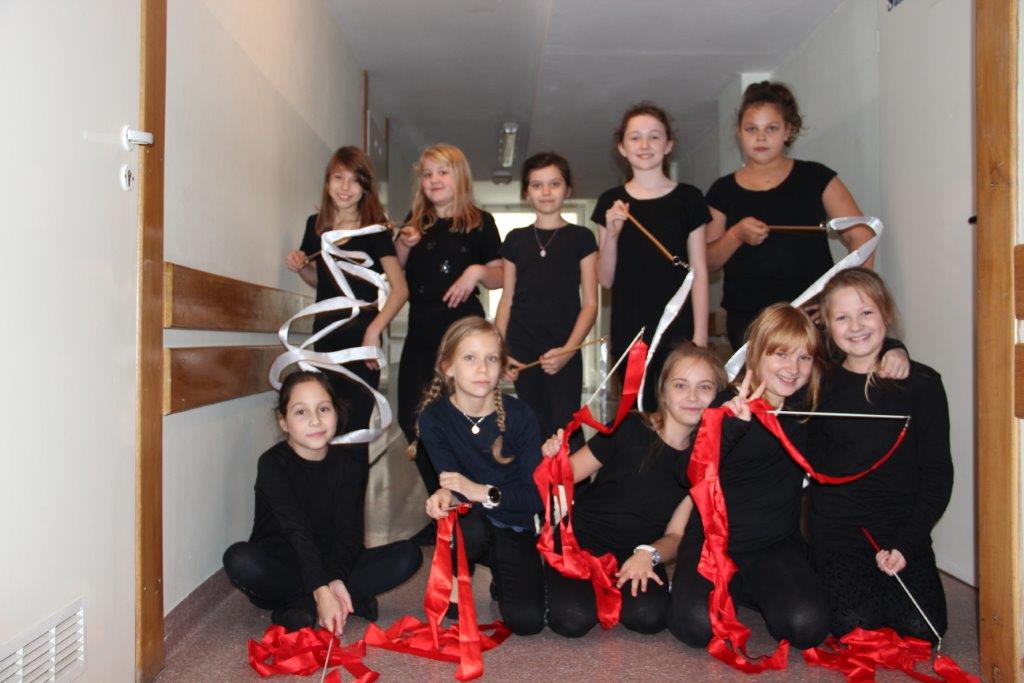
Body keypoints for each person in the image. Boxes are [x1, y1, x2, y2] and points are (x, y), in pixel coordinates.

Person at [667, 304, 831, 650]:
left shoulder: (807, 406)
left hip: (774, 544)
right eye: (781, 354)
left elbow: (855, 362)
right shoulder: (729, 403)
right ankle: (727, 586)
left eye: (804, 358)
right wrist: (727, 429)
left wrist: (894, 350)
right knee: (696, 627)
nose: (793, 368)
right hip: (714, 543)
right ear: (757, 354)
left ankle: (749, 589)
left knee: (808, 626)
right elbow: (687, 474)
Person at [540, 344, 727, 637]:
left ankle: (607, 585)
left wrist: (648, 554)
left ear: (718, 396)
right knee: (573, 619)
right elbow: (567, 473)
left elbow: (675, 535)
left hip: (637, 551)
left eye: (704, 387)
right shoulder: (629, 425)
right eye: (681, 385)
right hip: (582, 539)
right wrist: (554, 456)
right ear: (663, 391)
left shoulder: (704, 462)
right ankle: (545, 573)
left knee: (649, 617)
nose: (692, 396)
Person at [810, 267, 952, 642]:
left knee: (922, 630)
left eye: (866, 312)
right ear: (827, 325)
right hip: (840, 533)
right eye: (842, 317)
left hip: (902, 530)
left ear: (885, 314)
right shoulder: (817, 385)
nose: (856, 326)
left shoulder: (923, 384)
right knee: (855, 624)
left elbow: (938, 473)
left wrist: (906, 544)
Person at [223, 371, 421, 634]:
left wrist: (336, 579)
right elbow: (297, 531)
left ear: (336, 413)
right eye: (301, 412)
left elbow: (349, 534)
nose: (315, 420)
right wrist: (320, 589)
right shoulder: (272, 464)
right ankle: (335, 599)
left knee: (408, 554)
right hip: (284, 564)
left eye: (324, 409)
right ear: (284, 422)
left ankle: (302, 606)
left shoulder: (349, 464)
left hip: (333, 562)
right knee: (239, 559)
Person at [704, 81, 875, 349]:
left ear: (788, 131)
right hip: (750, 322)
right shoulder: (722, 190)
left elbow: (862, 235)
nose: (761, 138)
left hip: (812, 317)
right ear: (739, 132)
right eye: (751, 129)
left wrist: (847, 298)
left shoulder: (816, 177)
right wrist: (735, 235)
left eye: (771, 128)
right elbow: (705, 260)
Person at [415, 317, 545, 635]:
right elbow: (452, 483)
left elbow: (535, 498)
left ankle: (503, 570)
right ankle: (460, 570)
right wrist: (443, 496)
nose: (482, 369)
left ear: (502, 367)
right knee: (468, 527)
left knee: (527, 621)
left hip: (514, 522)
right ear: (448, 367)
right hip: (471, 521)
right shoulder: (434, 418)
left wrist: (483, 491)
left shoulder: (521, 416)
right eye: (470, 358)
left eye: (492, 359)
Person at [284, 146, 408, 465]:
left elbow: (400, 290)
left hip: (361, 344)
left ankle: (351, 500)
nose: (345, 187)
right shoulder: (316, 226)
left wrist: (374, 332)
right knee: (324, 431)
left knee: (354, 435)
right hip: (324, 339)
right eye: (338, 177)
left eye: (355, 180)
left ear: (365, 188)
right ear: (328, 182)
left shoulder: (377, 231)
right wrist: (301, 267)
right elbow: (322, 282)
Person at [395, 144, 503, 504]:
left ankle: (472, 500)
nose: (434, 179)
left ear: (460, 176)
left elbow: (501, 276)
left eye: (443, 172)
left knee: (463, 418)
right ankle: (444, 499)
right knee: (412, 417)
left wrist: (476, 271)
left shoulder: (480, 222)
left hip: (463, 337)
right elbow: (393, 269)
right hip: (421, 335)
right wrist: (405, 242)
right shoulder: (416, 222)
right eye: (427, 174)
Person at [592, 102, 710, 409]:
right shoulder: (610, 201)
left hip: (679, 329)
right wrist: (612, 234)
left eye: (654, 136)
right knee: (637, 414)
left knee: (680, 411)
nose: (644, 145)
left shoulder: (689, 198)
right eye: (635, 137)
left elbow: (699, 270)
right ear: (622, 147)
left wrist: (700, 336)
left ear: (668, 144)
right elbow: (605, 279)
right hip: (630, 330)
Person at [496, 152, 597, 449]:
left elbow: (591, 303)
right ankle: (537, 479)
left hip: (565, 345)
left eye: (554, 183)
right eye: (537, 185)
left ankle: (574, 479)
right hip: (522, 347)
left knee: (566, 424)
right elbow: (506, 298)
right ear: (526, 193)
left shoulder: (582, 237)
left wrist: (569, 350)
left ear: (568, 189)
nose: (546, 191)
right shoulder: (515, 239)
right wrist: (500, 351)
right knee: (532, 423)